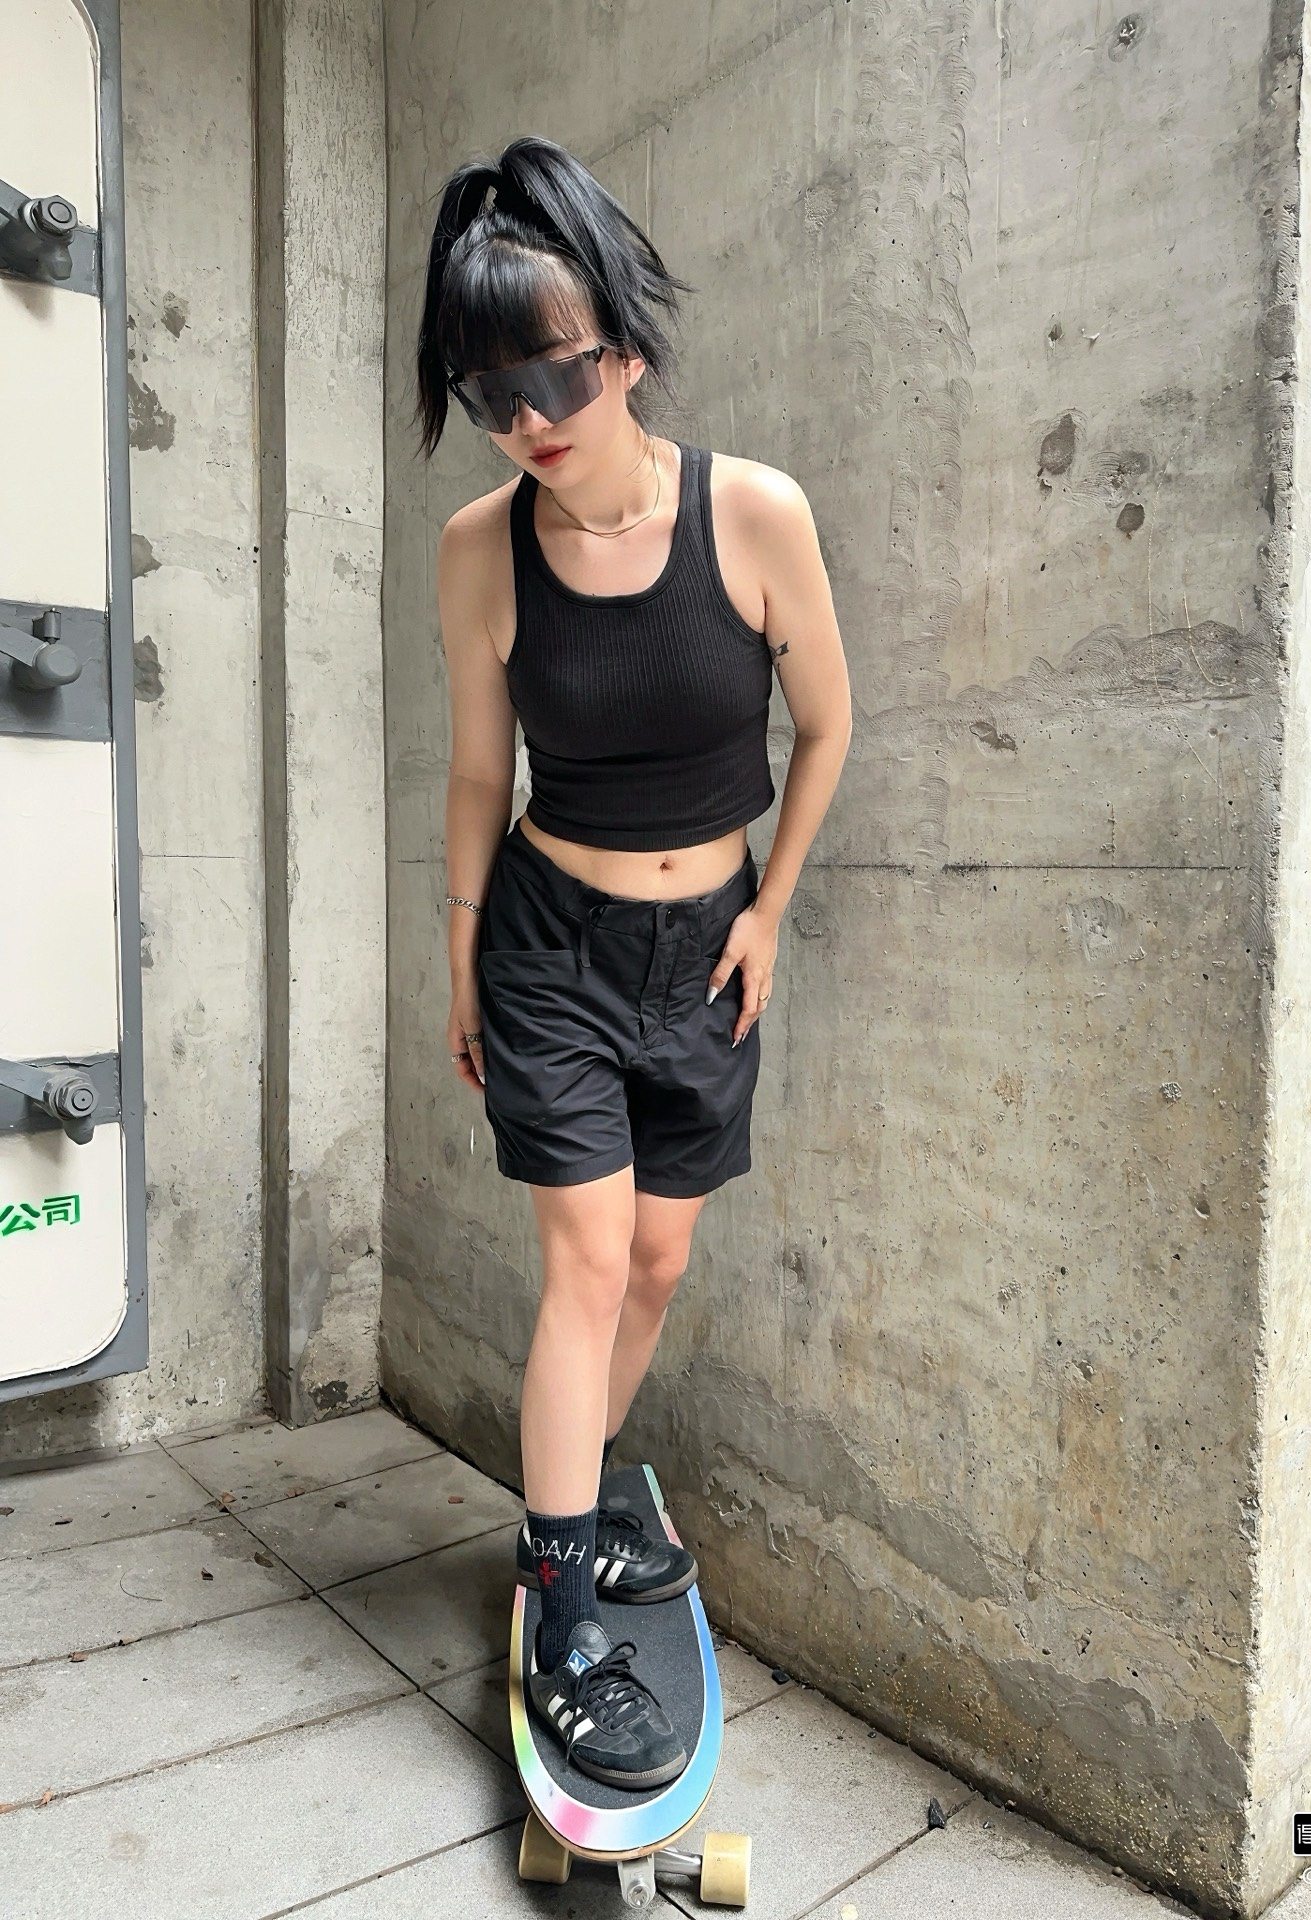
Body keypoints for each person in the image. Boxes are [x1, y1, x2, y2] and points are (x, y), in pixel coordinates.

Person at [413, 134, 852, 1791]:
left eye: (558, 372)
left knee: (658, 1262)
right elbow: (479, 775)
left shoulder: (752, 514)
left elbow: (827, 727)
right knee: (587, 1263)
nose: (530, 415)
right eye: (490, 390)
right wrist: (464, 956)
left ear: (628, 351)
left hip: (705, 951)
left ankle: (576, 1505)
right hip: (548, 943)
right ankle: (563, 1614)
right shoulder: (479, 551)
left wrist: (769, 911)